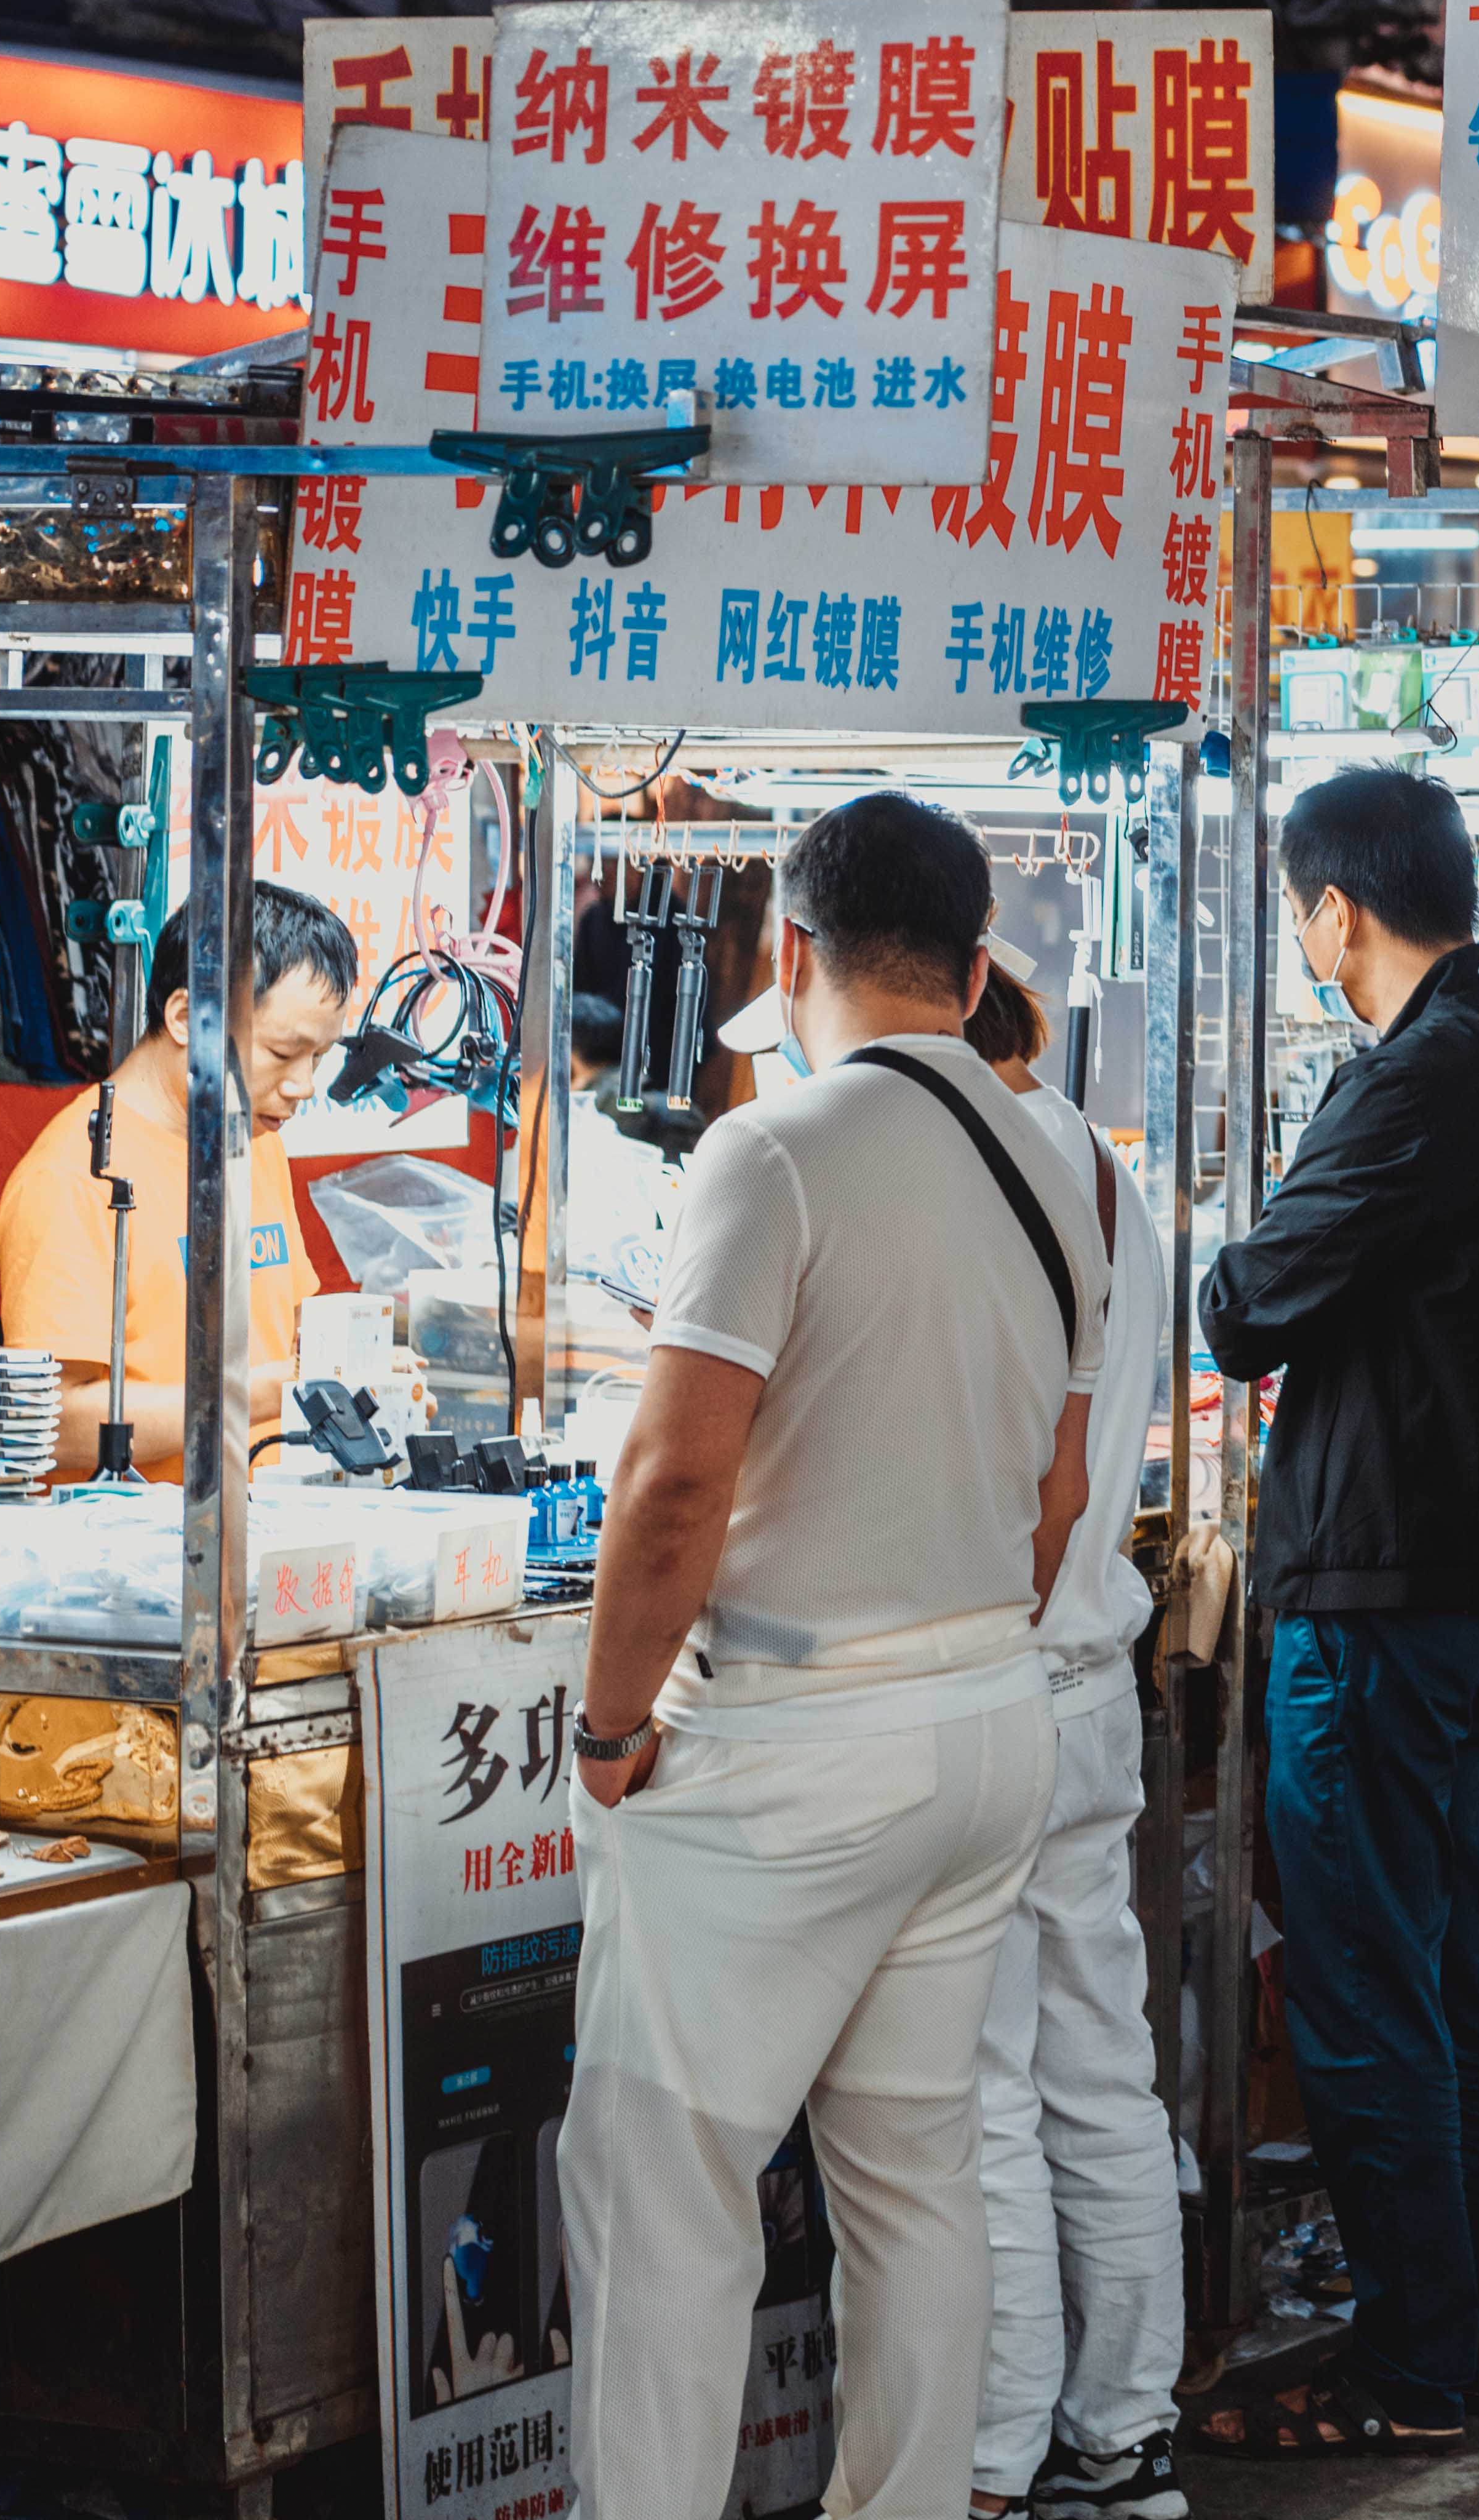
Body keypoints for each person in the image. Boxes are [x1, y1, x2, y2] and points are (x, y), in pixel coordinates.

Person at [563, 797, 1106, 2520]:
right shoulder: (1066, 1160)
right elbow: (1061, 1493)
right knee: (916, 2174)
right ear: (970, 961)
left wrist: (608, 1724)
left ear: (788, 952)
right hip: (984, 1721)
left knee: (664, 2184)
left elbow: (671, 1486)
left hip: (802, 1744)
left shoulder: (773, 1151)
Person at [1190, 770, 1479, 2456]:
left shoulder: (1419, 1076)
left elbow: (1244, 1306)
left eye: (1301, 915)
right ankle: (1477, 2342)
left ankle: (1416, 2369)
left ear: (1334, 912)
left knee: (1374, 1993)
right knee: (1453, 1975)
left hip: (1387, 1595)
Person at [949, 945, 1188, 2520]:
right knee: (1102, 2064)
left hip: (982, 1678)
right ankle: (1125, 2432)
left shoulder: (948, 1166)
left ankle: (989, 2455)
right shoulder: (1103, 1172)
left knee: (980, 2087)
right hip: (1092, 1666)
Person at [0, 882, 359, 1480]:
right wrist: (255, 1394)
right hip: (137, 1548)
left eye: (318, 1058)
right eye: (283, 1052)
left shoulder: (255, 1141)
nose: (304, 1086)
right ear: (187, 1017)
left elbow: (288, 1334)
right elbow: (54, 1424)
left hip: (265, 1521)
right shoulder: (73, 1175)